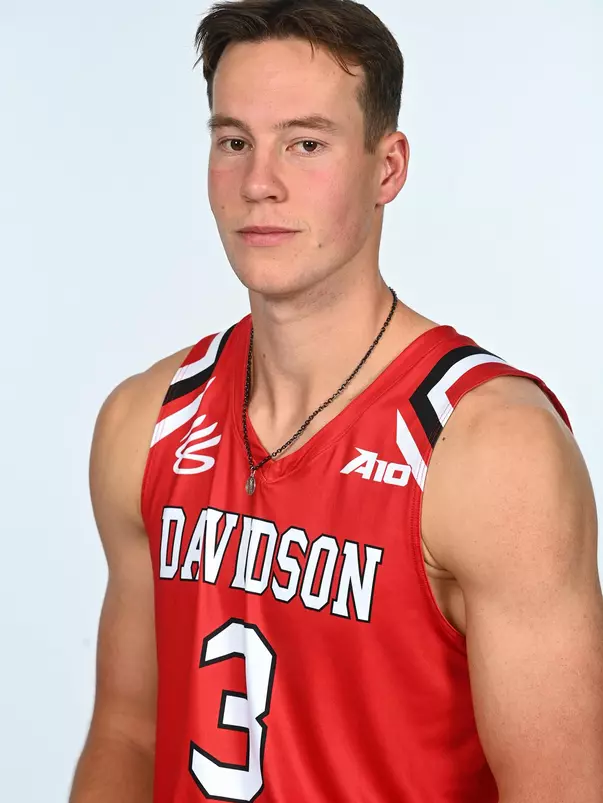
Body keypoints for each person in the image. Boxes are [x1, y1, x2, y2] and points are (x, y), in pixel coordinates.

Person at [69, 1, 603, 801]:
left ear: (385, 167)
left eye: (305, 144)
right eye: (233, 142)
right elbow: (126, 731)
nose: (259, 183)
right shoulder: (143, 420)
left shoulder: (489, 451)